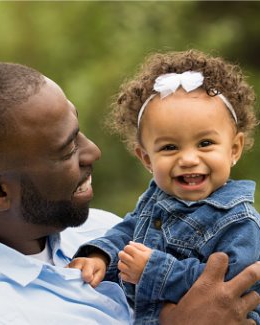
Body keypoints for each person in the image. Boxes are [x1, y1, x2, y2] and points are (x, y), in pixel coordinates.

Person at [0, 61, 259, 324]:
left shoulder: (95, 227)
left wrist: (101, 253)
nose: (93, 152)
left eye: (79, 132)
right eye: (67, 149)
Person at [68, 50, 260, 324]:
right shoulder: (158, 198)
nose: (189, 159)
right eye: (170, 147)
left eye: (205, 143)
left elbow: (230, 286)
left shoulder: (240, 222)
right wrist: (100, 256)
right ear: (147, 159)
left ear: (234, 149)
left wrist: (154, 270)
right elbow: (129, 232)